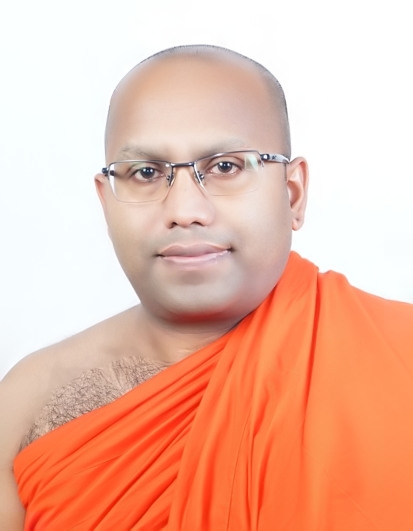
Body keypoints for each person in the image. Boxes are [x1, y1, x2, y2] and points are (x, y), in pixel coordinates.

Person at [0, 44, 412, 531]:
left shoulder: (399, 354)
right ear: (106, 203)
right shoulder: (27, 402)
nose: (185, 210)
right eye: (146, 173)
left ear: (293, 194)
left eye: (225, 167)